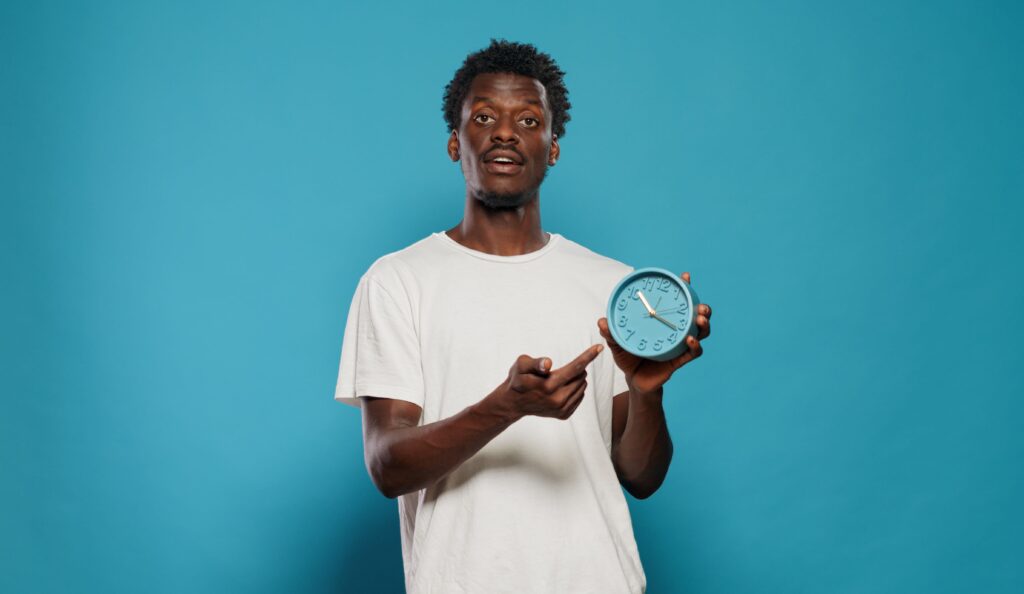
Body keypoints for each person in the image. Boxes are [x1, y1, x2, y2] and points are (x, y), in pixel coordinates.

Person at [334, 38, 713, 594]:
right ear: (453, 142)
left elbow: (641, 476)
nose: (505, 131)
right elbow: (387, 466)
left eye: (529, 120)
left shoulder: (611, 285)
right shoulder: (398, 280)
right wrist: (504, 408)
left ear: (553, 147)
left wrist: (646, 390)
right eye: (483, 116)